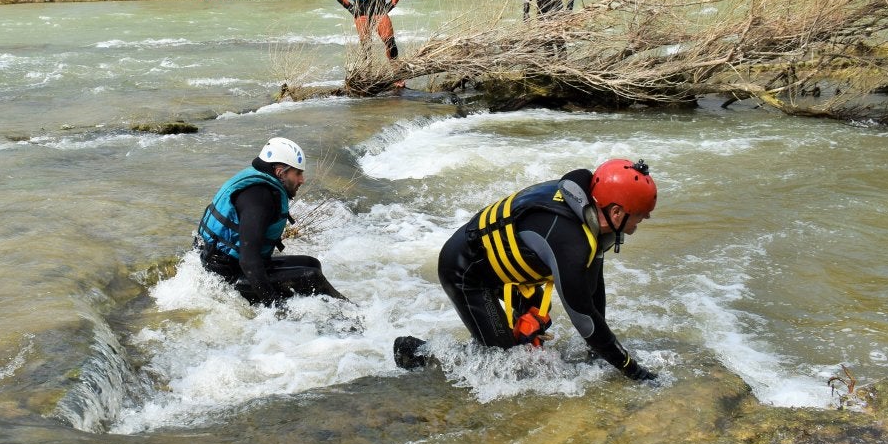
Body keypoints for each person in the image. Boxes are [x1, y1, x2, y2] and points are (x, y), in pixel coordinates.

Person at [395, 159, 659, 384]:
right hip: (466, 273)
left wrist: (599, 352)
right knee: (505, 365)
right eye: (641, 214)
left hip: (505, 269)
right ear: (615, 212)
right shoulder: (569, 241)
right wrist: (632, 370)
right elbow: (584, 317)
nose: (644, 220)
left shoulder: (593, 214)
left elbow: (593, 289)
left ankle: (492, 340)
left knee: (531, 341)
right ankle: (417, 352)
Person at [194, 137, 345, 306]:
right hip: (224, 278)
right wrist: (275, 307)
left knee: (311, 264)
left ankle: (324, 311)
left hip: (225, 265)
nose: (302, 180)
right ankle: (351, 316)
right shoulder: (260, 198)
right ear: (280, 172)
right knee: (311, 277)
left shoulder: (262, 187)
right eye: (298, 173)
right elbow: (248, 260)